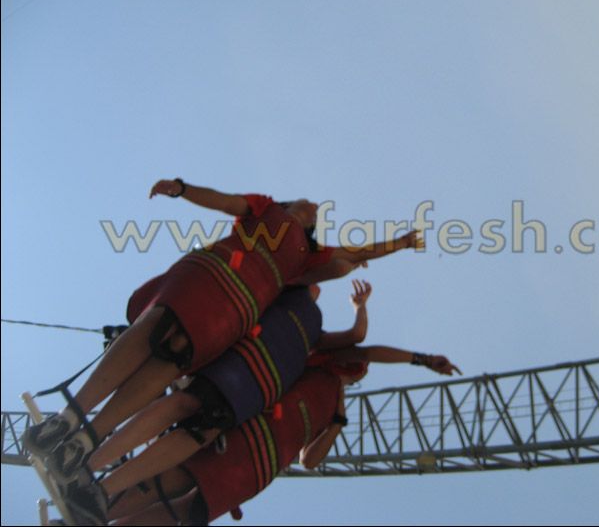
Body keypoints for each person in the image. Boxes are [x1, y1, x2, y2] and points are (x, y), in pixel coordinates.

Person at [24, 179, 420, 483]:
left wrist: (400, 243)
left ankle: (86, 439)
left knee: (173, 360)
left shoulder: (308, 256)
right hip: (210, 275)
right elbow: (225, 201)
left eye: (316, 212)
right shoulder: (265, 208)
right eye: (307, 202)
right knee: (154, 326)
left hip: (236, 309)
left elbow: (358, 253)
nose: (315, 208)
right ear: (289, 205)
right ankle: (69, 418)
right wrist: (183, 190)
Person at [70, 345, 461, 525]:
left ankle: (97, 515)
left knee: (185, 510)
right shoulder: (317, 364)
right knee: (171, 478)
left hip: (259, 465)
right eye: (357, 363)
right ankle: (94, 506)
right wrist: (422, 359)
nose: (360, 366)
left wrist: (338, 423)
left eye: (360, 369)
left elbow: (310, 460)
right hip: (246, 435)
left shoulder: (335, 409)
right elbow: (370, 348)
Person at [63, 280, 372, 489]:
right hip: (225, 364)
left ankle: (95, 469)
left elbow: (355, 336)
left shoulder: (309, 342)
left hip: (236, 381)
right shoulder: (285, 302)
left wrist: (360, 308)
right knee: (175, 396)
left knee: (184, 413)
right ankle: (87, 452)